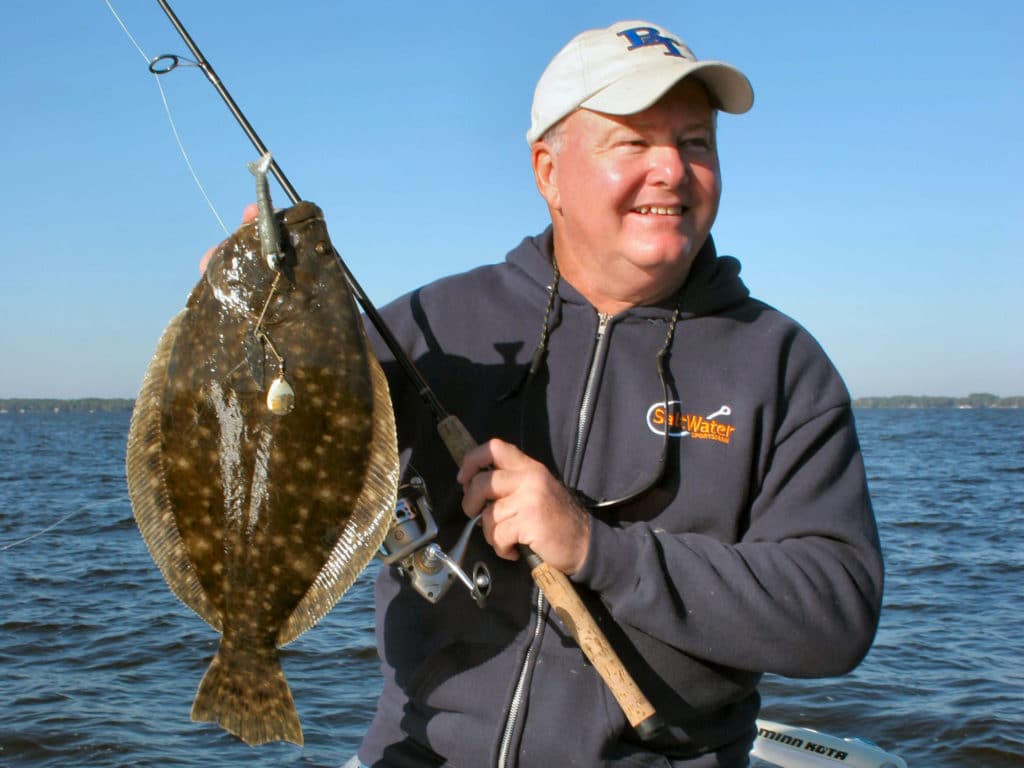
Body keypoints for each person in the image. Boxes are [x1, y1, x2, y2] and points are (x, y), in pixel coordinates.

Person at [210, 19, 883, 767]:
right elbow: (267, 460)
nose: (671, 169)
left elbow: (837, 611)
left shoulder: (780, 366)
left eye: (696, 143)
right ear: (548, 171)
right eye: (632, 142)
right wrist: (251, 341)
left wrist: (598, 549)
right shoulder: (428, 327)